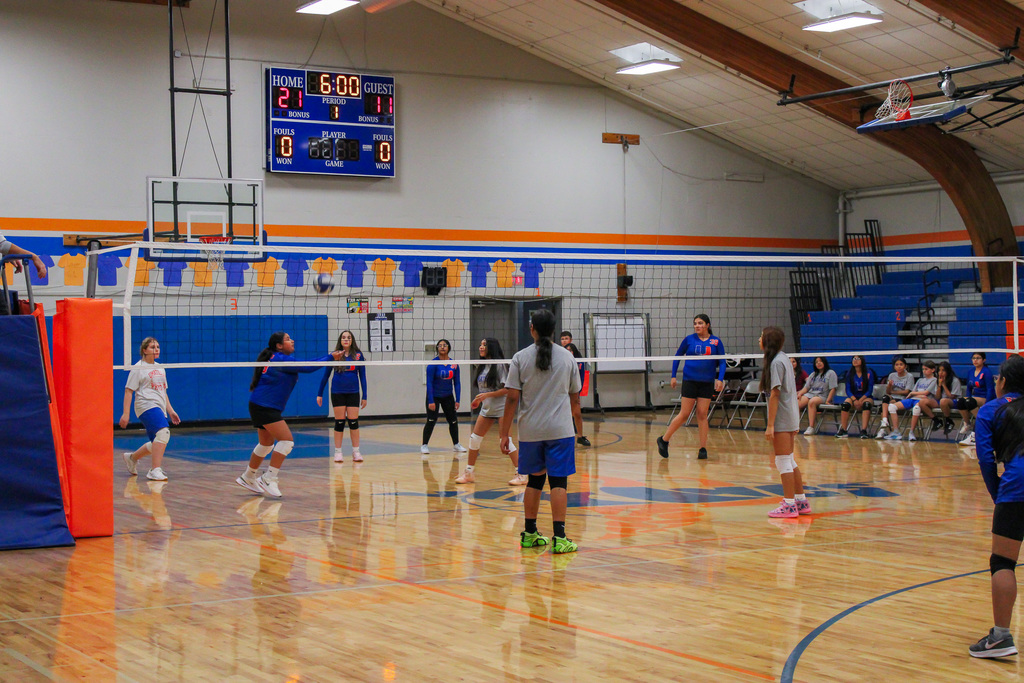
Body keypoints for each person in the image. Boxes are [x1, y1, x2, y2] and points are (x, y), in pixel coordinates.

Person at [500, 309, 582, 554]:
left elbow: (511, 399)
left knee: (534, 481)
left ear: (531, 329)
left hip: (531, 431)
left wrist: (504, 433)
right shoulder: (567, 358)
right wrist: (579, 430)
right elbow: (575, 399)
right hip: (560, 430)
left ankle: (530, 533)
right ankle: (560, 538)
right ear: (554, 330)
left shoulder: (520, 357)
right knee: (559, 482)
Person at [236, 332, 343, 498]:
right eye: (287, 339)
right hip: (264, 407)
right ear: (279, 346)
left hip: (260, 405)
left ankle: (248, 476)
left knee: (266, 444)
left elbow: (305, 365)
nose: (292, 340)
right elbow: (308, 367)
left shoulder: (277, 358)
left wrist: (330, 357)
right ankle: (269, 478)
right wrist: (330, 357)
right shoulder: (279, 359)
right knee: (286, 441)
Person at [969, 355, 1024, 659]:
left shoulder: (990, 410)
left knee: (1003, 562)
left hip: (1017, 487)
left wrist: (997, 494)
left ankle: (1000, 638)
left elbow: (986, 460)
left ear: (1003, 381)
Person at [656, 314, 726, 459]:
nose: (697, 326)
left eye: (700, 323)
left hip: (706, 382)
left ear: (707, 325)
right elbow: (677, 356)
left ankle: (703, 449)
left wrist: (720, 379)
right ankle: (664, 440)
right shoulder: (689, 339)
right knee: (685, 414)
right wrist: (673, 376)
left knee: (702, 414)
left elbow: (722, 361)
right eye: (695, 323)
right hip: (690, 380)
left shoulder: (716, 341)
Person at [456, 338, 525, 485]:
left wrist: (487, 395)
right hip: (487, 408)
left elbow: (508, 389)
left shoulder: (500, 365)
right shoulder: (482, 365)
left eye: (484, 345)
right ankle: (469, 473)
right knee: (474, 439)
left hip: (502, 408)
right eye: (480, 344)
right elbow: (484, 390)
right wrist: (479, 399)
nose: (481, 347)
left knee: (506, 441)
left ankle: (521, 474)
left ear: (491, 347)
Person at [759, 326, 810, 519]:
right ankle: (800, 501)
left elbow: (775, 394)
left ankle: (789, 505)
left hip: (782, 416)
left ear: (767, 341)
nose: (758, 340)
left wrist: (770, 425)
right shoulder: (783, 358)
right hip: (790, 414)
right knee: (789, 459)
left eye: (761, 337)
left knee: (782, 461)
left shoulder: (776, 362)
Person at [119, 337, 180, 481]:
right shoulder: (138, 368)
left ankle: (132, 458)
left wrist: (171, 410)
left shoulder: (160, 368)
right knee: (164, 433)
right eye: (152, 347)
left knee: (157, 443)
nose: (156, 349)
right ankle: (154, 470)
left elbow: (163, 391)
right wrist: (126, 414)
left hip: (159, 406)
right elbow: (128, 391)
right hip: (145, 405)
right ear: (144, 350)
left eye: (158, 347)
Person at [317, 330, 368, 463]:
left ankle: (356, 451)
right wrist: (319, 393)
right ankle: (338, 452)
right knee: (339, 422)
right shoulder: (334, 355)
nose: (346, 339)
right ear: (340, 340)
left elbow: (363, 376)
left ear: (352, 340)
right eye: (344, 337)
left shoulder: (358, 355)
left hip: (353, 392)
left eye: (348, 337)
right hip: (337, 392)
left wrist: (365, 395)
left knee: (353, 422)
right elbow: (325, 375)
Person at [422, 339, 466, 455]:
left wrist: (458, 399)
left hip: (448, 396)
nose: (442, 347)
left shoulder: (454, 364)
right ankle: (424, 445)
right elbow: (429, 383)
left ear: (449, 348)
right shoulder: (433, 364)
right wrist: (431, 400)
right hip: (434, 396)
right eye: (440, 345)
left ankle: (456, 444)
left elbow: (457, 383)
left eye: (445, 345)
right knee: (431, 420)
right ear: (437, 348)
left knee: (453, 421)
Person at [885, 360, 937, 441]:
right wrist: (915, 394)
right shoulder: (920, 380)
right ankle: (896, 431)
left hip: (922, 401)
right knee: (891, 407)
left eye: (926, 369)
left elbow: (926, 393)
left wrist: (914, 393)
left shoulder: (934, 380)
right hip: (913, 399)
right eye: (923, 369)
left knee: (916, 408)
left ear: (933, 370)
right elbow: (913, 392)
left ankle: (911, 432)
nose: (924, 371)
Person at [959, 352, 997, 446]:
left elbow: (990, 389)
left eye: (978, 358)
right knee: (961, 401)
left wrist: (987, 404)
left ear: (984, 360)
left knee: (969, 401)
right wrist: (966, 399)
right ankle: (968, 424)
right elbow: (969, 388)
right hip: (975, 397)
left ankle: (982, 422)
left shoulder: (986, 372)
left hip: (985, 397)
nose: (975, 360)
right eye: (973, 358)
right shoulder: (971, 372)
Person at [560, 331, 590, 447]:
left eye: (566, 338)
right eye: (562, 339)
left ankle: (580, 437)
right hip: (562, 392)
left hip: (574, 391)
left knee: (577, 413)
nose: (564, 341)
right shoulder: (560, 358)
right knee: (563, 415)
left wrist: (579, 390)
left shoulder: (578, 361)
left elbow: (581, 376)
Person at [835, 355, 877, 439]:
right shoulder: (849, 373)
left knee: (866, 405)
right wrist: (854, 400)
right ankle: (844, 430)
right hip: (854, 397)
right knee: (845, 405)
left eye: (857, 358)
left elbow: (870, 390)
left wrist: (860, 400)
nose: (855, 360)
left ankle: (864, 431)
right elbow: (848, 390)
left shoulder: (869, 373)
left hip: (866, 397)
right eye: (854, 359)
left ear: (862, 360)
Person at [875, 356, 916, 439]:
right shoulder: (892, 375)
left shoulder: (909, 376)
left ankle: (888, 429)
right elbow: (888, 392)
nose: (899, 366)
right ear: (894, 367)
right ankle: (884, 423)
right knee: (885, 399)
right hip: (892, 398)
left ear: (905, 366)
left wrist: (893, 392)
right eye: (897, 365)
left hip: (903, 399)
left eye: (901, 364)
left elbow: (907, 392)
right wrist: (889, 386)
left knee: (885, 407)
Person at [796, 356, 837, 435]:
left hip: (822, 396)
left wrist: (828, 400)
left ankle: (811, 427)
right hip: (811, 394)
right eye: (816, 362)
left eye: (820, 361)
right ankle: (795, 426)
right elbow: (806, 388)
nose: (818, 363)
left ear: (824, 362)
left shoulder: (831, 373)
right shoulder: (813, 374)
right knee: (797, 403)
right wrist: (800, 394)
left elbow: (833, 388)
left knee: (812, 402)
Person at [935, 360, 963, 437]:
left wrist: (944, 385)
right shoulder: (938, 380)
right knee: (923, 402)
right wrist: (939, 386)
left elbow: (952, 396)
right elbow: (937, 397)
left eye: (943, 370)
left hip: (955, 401)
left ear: (948, 371)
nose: (940, 373)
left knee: (943, 401)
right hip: (942, 401)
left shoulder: (955, 380)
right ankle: (936, 421)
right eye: (939, 370)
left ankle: (948, 420)